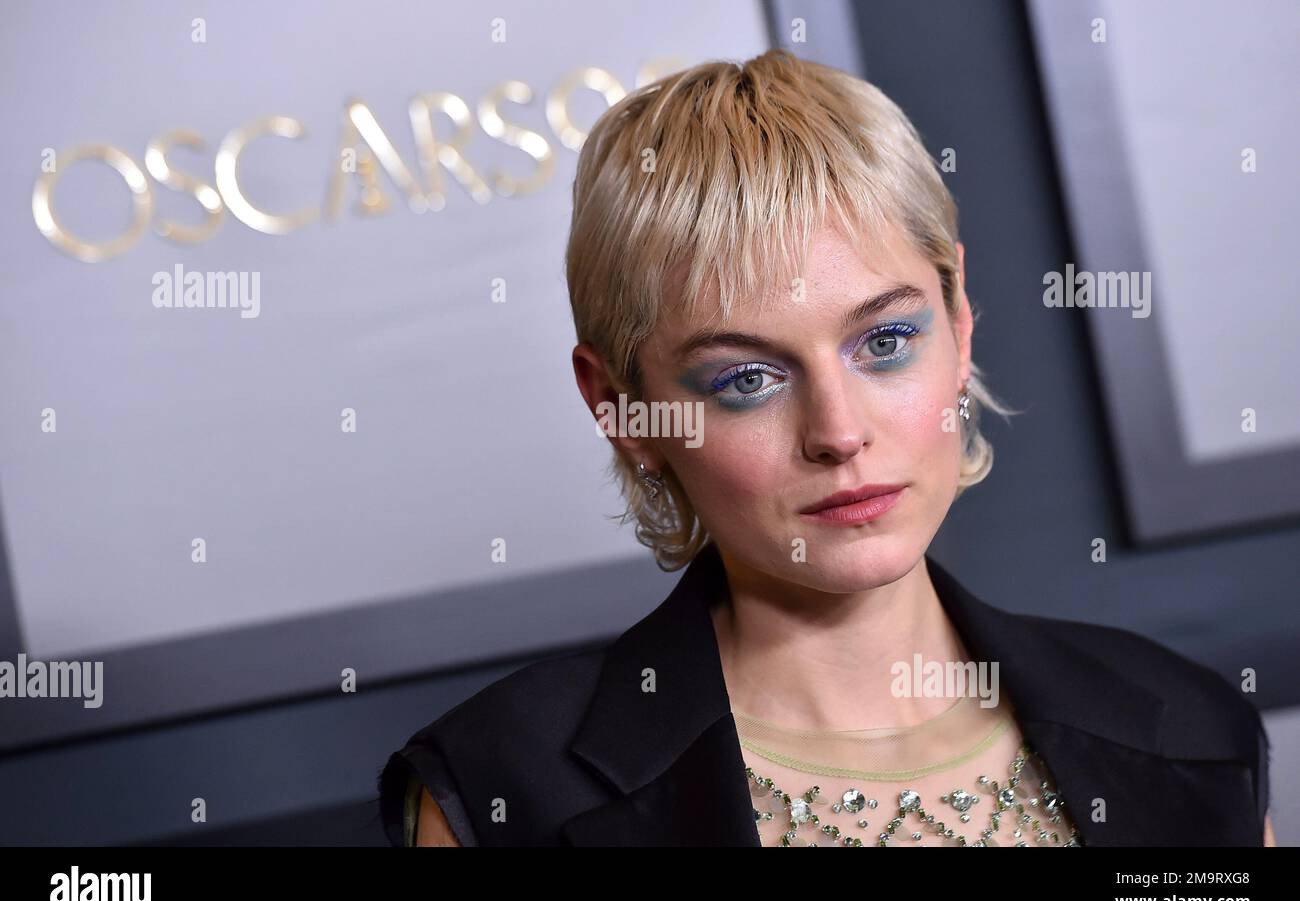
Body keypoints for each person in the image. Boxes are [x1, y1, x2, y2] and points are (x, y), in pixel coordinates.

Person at [377, 48, 1275, 847]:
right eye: (746, 381)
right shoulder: (507, 793)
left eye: (884, 343)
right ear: (620, 408)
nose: (839, 433)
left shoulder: (1191, 734)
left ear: (959, 327)